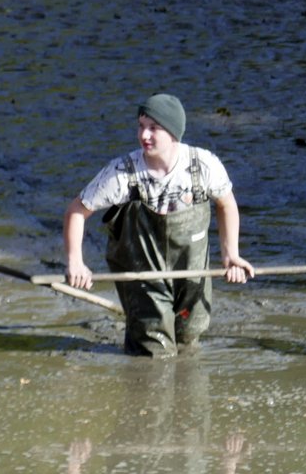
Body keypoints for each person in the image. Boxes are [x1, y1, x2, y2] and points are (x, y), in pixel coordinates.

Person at [63, 94, 255, 357]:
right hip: (141, 272)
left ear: (174, 133)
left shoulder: (203, 165)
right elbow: (76, 212)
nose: (144, 135)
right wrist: (76, 262)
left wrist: (230, 255)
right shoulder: (122, 173)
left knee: (189, 335)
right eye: (141, 126)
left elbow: (227, 205)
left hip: (191, 271)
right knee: (153, 349)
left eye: (154, 128)